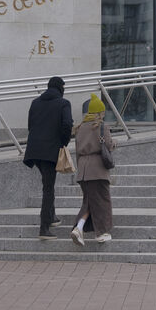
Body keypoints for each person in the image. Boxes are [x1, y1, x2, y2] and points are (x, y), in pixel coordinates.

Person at [22, 76, 73, 238]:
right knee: (48, 188)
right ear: (60, 88)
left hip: (34, 151)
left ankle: (51, 216)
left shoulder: (35, 103)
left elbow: (30, 125)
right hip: (51, 150)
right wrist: (63, 143)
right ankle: (44, 227)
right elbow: (67, 125)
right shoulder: (64, 103)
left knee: (47, 183)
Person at [70, 93, 116, 246]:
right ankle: (102, 233)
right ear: (99, 112)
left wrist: (80, 170)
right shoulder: (102, 126)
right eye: (102, 112)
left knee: (89, 201)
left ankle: (79, 228)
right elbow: (108, 145)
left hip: (83, 170)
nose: (103, 114)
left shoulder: (80, 128)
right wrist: (114, 143)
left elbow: (77, 152)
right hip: (98, 170)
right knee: (103, 201)